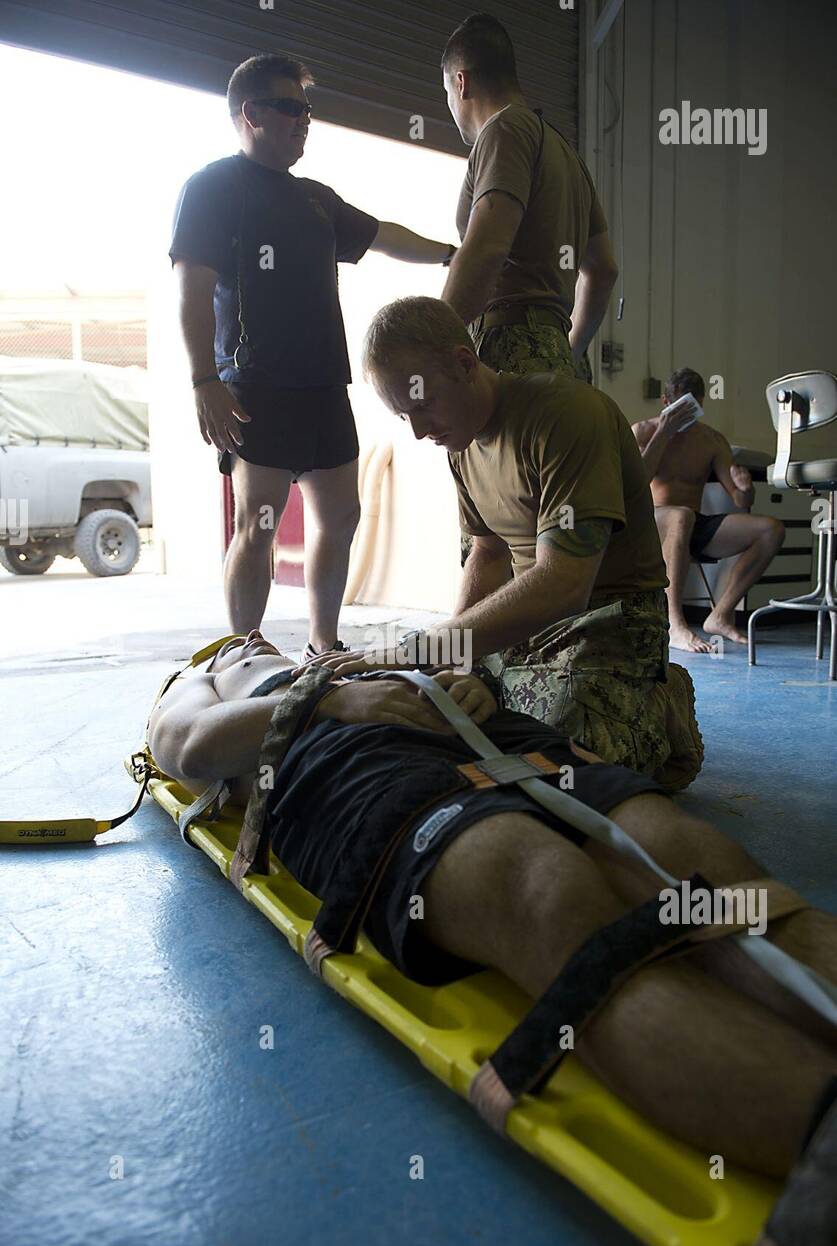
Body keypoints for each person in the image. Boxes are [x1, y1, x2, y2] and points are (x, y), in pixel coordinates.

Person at [147, 629, 837, 1187]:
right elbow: (183, 747)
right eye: (237, 642)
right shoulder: (207, 678)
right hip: (335, 764)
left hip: (475, 734)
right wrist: (317, 701)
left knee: (706, 865)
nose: (251, 639)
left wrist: (466, 687)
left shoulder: (346, 656)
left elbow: (450, 659)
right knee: (546, 891)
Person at [313, 296, 704, 791]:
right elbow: (488, 552)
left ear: (464, 362)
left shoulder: (566, 415)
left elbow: (565, 585)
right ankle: (508, 684)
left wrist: (413, 649)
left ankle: (661, 696)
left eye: (422, 405)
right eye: (402, 417)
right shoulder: (459, 443)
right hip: (527, 627)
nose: (417, 432)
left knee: (565, 769)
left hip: (609, 619)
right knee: (416, 711)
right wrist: (456, 662)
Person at [169, 52, 458, 658]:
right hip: (256, 387)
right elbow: (192, 290)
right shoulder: (211, 187)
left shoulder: (318, 200)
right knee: (259, 525)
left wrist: (451, 255)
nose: (304, 121)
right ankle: (243, 647)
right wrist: (204, 381)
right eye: (290, 108)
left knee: (341, 518)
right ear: (250, 113)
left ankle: (323, 641)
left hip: (326, 386)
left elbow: (383, 235)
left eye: (307, 110)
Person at [440, 13, 618, 382]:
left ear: (462, 83)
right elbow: (603, 269)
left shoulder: (503, 129)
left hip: (506, 348)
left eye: (446, 94)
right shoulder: (567, 154)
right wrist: (570, 348)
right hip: (556, 357)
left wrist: (433, 346)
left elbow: (487, 249)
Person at [632, 368, 785, 653]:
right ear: (666, 402)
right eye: (681, 407)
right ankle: (675, 624)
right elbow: (635, 483)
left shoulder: (712, 440)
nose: (688, 415)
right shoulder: (643, 431)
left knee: (771, 529)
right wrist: (663, 433)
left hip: (693, 525)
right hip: (650, 522)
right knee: (680, 515)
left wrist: (745, 488)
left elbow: (740, 500)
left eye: (694, 407)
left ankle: (721, 615)